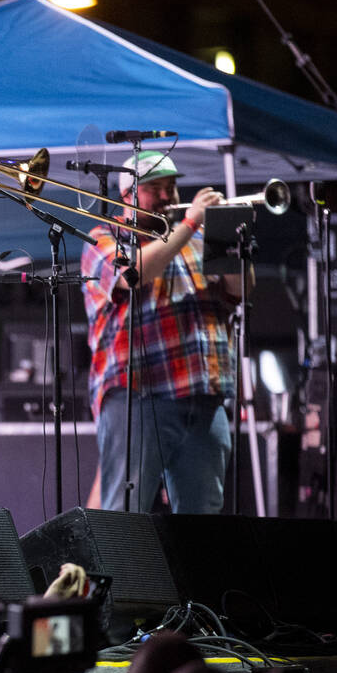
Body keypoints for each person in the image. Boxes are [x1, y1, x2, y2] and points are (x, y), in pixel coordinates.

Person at [81, 151, 250, 514]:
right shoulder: (104, 236)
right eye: (154, 188)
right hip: (138, 396)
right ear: (127, 194)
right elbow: (134, 274)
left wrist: (229, 235)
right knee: (124, 515)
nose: (167, 196)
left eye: (171, 187)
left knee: (204, 517)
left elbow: (240, 291)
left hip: (203, 395)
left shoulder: (197, 236)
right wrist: (189, 223)